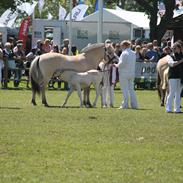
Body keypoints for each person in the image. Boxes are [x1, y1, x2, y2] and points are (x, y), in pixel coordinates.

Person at [114, 40, 138, 109]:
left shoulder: (124, 53)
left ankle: (125, 105)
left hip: (124, 73)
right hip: (131, 73)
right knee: (131, 90)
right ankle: (134, 105)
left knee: (124, 89)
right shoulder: (133, 53)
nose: (121, 47)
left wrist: (116, 65)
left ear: (124, 46)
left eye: (122, 46)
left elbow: (122, 64)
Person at [165, 42, 183, 113]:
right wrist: (180, 61)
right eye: (173, 48)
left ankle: (177, 109)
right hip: (173, 76)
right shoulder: (170, 56)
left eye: (175, 48)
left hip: (180, 77)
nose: (173, 49)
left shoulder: (181, 55)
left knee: (178, 93)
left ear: (179, 48)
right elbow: (171, 64)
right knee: (172, 92)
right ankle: (168, 109)